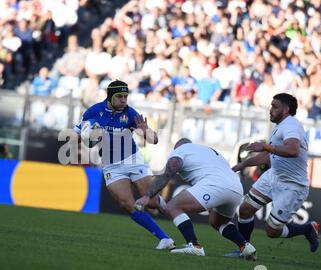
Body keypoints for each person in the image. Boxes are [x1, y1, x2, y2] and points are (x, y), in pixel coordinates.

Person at [72, 80, 175, 250]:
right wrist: (84, 137)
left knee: (151, 203)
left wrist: (145, 130)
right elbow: (74, 135)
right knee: (126, 204)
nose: (123, 100)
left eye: (126, 96)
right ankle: (164, 238)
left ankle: (170, 208)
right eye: (119, 96)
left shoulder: (130, 113)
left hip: (133, 160)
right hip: (111, 165)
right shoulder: (93, 112)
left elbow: (154, 140)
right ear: (110, 96)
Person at [135, 138, 257, 259]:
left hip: (215, 184)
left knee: (173, 206)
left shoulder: (179, 151)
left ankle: (194, 246)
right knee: (218, 222)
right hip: (236, 187)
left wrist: (147, 196)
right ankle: (245, 246)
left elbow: (166, 175)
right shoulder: (206, 150)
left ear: (177, 147)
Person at [229, 93, 319, 257]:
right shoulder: (280, 126)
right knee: (245, 209)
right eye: (271, 106)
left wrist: (265, 146)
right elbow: (270, 155)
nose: (270, 110)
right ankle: (245, 250)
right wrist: (243, 164)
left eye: (275, 106)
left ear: (286, 109)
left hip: (292, 185)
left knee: (272, 231)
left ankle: (307, 229)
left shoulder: (291, 125)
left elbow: (292, 150)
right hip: (274, 176)